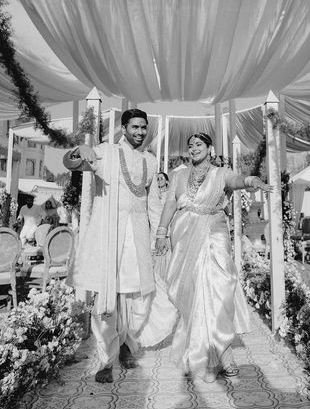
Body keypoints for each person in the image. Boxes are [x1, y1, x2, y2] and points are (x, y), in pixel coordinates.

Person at [63, 109, 176, 383]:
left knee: (139, 299)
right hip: (109, 237)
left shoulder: (150, 161)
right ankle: (106, 360)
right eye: (134, 127)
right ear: (123, 128)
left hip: (136, 239)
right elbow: (71, 163)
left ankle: (128, 342)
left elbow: (151, 205)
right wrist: (80, 148)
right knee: (107, 300)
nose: (140, 132)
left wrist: (159, 236)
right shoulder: (106, 152)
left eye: (143, 127)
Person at [155, 132, 272, 382]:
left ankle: (224, 356)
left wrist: (252, 181)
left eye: (199, 144)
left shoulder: (221, 173)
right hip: (184, 239)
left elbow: (237, 180)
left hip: (213, 237)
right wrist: (161, 233)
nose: (193, 148)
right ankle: (195, 355)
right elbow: (170, 205)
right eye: (190, 145)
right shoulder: (178, 175)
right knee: (191, 295)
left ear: (210, 148)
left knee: (218, 293)